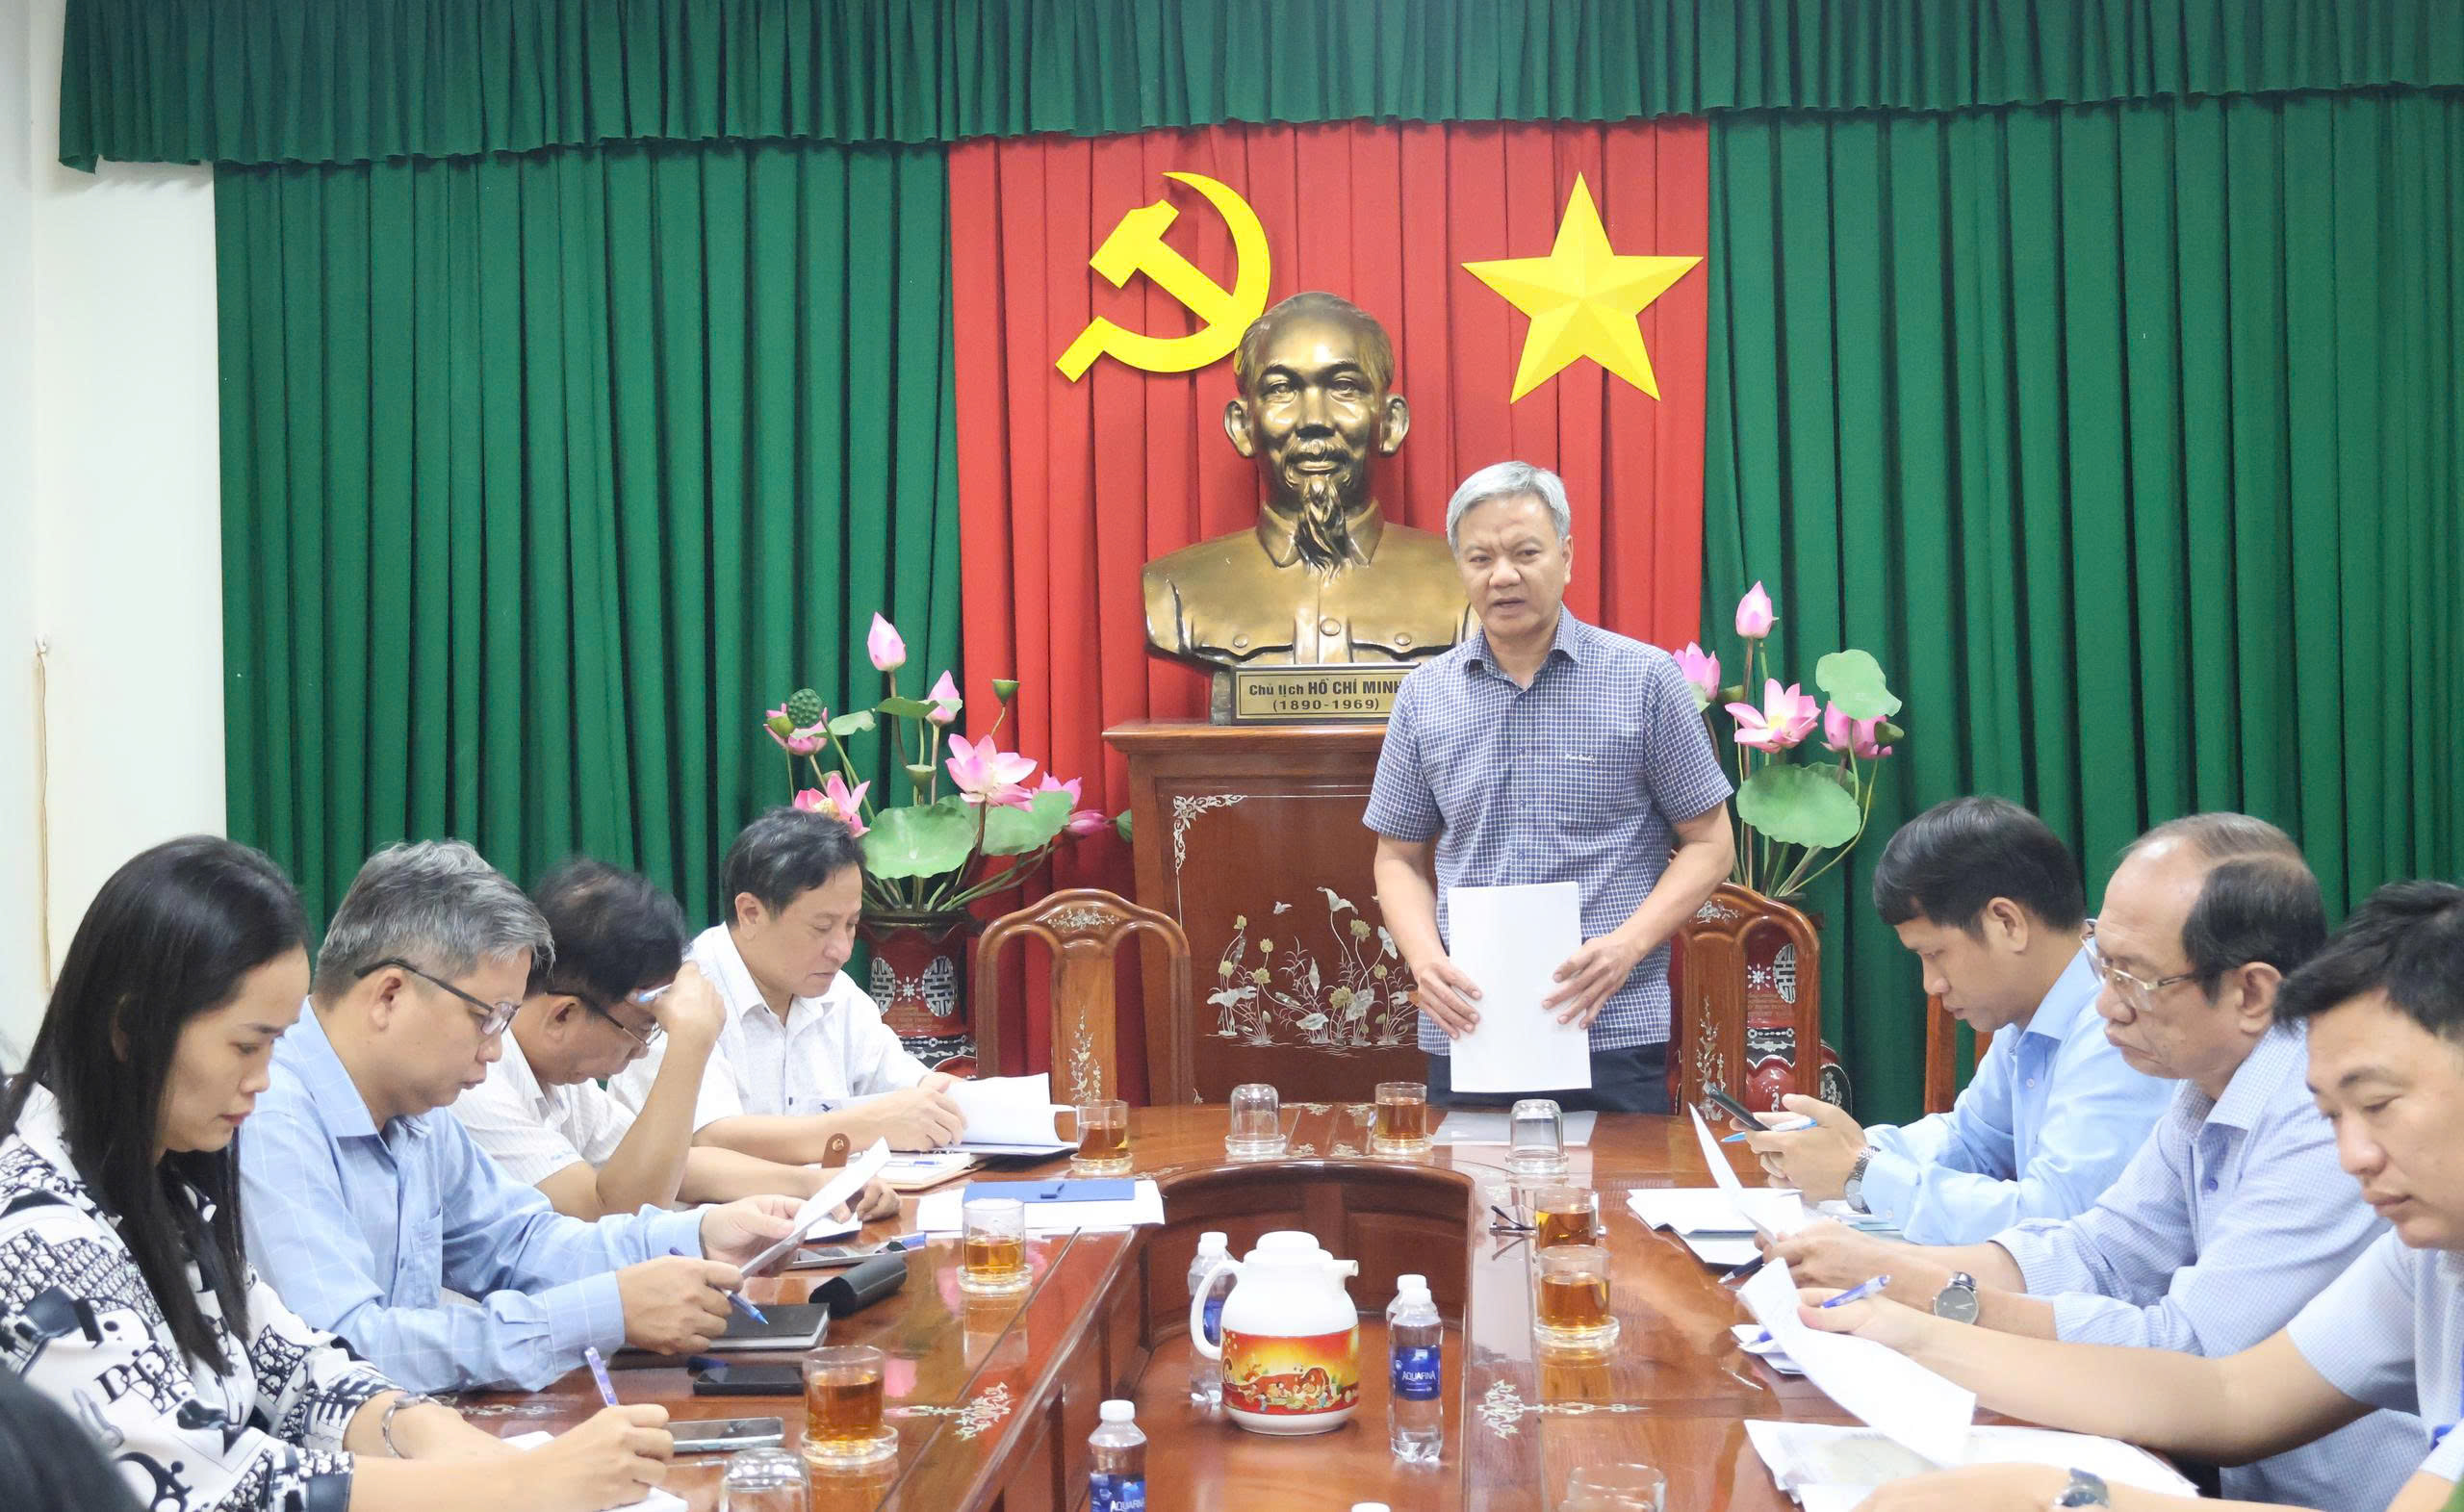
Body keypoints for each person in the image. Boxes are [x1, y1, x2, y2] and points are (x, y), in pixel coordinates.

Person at [1764, 814, 2424, 1510]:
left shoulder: (2318, 1121)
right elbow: (2104, 1254)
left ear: (2251, 993)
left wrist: (1934, 1303)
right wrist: (1907, 1289)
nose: (2106, 1003)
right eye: (2102, 965)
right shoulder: (2204, 1084)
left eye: (2134, 977)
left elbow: (2197, 1356)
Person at [1, 836, 673, 1512]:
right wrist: (516, 1484)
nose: (264, 1079)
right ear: (131, 1028)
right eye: (246, 1045)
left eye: (276, 1042)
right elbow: (209, 1482)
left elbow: (292, 1360)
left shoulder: (164, 1181)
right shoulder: (36, 1225)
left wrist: (417, 1426)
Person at [238, 840, 803, 1394]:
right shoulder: (273, 1112)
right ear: (390, 996)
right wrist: (606, 1311)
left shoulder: (420, 1114)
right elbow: (342, 1352)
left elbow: (522, 1243)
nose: (495, 1050)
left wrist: (697, 1236)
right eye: (486, 1018)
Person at [1364, 460, 1735, 1115]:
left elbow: (1711, 843)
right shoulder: (1424, 696)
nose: (1502, 575)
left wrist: (1627, 945)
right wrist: (1425, 962)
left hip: (1610, 1023)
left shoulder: (1644, 680)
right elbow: (1396, 857)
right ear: (1460, 569)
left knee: (1618, 1186)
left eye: (1525, 552)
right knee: (1471, 1185)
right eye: (1480, 558)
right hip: (1471, 1027)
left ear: (1566, 556)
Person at [1742, 796, 2172, 1243]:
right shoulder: (2030, 1007)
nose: (1931, 984)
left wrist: (1863, 1172)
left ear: (2007, 923)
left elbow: (2055, 1221)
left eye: (1934, 954)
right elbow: (1971, 1139)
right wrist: (1844, 1149)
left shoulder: (2117, 1025)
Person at [449, 858, 898, 1221]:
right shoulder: (476, 1084)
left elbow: (681, 1166)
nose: (642, 1050)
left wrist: (813, 1184)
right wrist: (689, 1044)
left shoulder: (566, 1083)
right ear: (563, 1015)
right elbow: (608, 1213)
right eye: (640, 1029)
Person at [609, 807, 969, 1157]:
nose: (843, 951)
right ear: (751, 913)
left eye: (851, 924)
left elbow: (909, 1086)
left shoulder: (838, 993)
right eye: (822, 927)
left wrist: (955, 1101)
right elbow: (709, 1141)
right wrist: (870, 1125)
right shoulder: (682, 995)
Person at [1141, 290, 1471, 667]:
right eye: (1281, 389)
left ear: (1391, 423)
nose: (1314, 420)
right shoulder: (1174, 588)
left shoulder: (1465, 582)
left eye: (1344, 386)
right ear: (1242, 426)